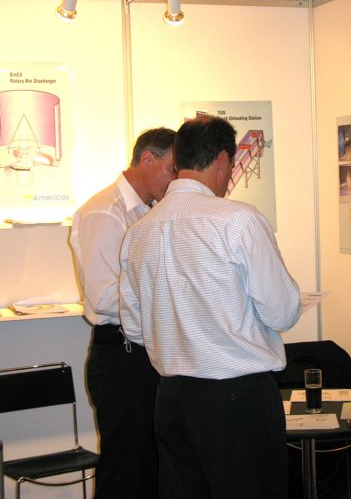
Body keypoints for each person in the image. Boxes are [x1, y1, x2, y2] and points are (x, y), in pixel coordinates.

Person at [119, 116, 301, 499]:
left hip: (171, 398)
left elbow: (134, 328)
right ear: (221, 160)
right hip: (237, 399)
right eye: (231, 165)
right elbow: (282, 311)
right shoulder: (238, 221)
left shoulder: (138, 232)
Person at [70, 127, 176, 499]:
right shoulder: (104, 212)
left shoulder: (152, 211)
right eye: (172, 168)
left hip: (148, 354)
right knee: (126, 473)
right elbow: (103, 297)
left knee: (153, 469)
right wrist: (167, 296)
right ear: (147, 158)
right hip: (122, 357)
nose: (176, 180)